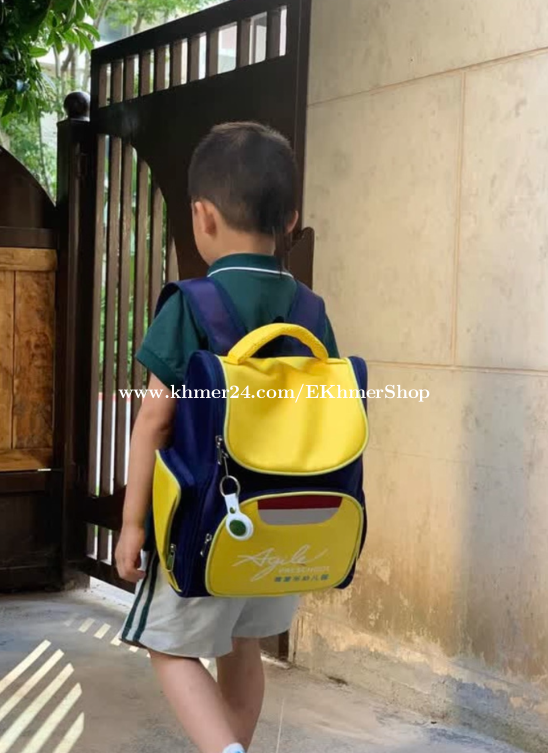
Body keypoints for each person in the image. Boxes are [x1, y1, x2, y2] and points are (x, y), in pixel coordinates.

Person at [115, 121, 339, 753]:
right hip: (282, 529)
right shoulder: (311, 311)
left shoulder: (192, 304)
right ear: (290, 219)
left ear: (202, 216)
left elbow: (155, 420)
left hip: (207, 524)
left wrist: (132, 525)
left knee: (167, 645)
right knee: (244, 645)